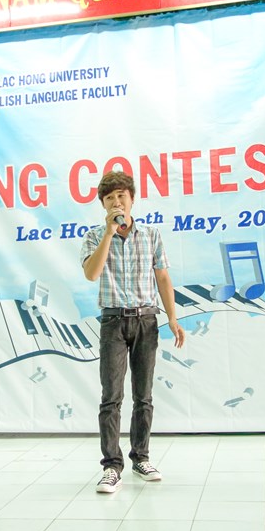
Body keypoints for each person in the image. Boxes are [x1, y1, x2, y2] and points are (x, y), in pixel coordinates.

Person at [80, 170, 185, 493]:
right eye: (110, 198)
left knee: (144, 395)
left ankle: (141, 457)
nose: (116, 202)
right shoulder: (94, 236)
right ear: (103, 204)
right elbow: (91, 274)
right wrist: (109, 234)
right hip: (112, 321)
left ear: (132, 199)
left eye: (121, 196)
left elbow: (163, 278)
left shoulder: (151, 235)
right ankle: (111, 466)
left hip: (146, 320)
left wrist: (172, 317)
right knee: (111, 397)